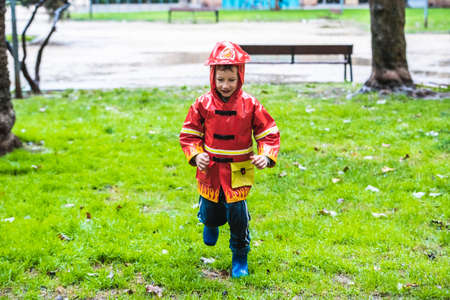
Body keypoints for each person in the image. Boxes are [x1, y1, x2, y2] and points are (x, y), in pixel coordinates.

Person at [179, 41, 280, 278]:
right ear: (212, 77)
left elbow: (268, 131)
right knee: (211, 207)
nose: (226, 85)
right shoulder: (202, 104)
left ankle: (240, 256)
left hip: (240, 168)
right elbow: (189, 133)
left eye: (231, 80)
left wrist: (266, 155)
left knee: (238, 215)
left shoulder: (250, 105)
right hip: (211, 168)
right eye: (221, 79)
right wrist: (196, 154)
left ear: (240, 77)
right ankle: (209, 222)